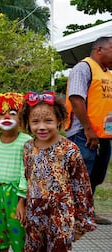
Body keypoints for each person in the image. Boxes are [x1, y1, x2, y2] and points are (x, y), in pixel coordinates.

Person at [20, 91, 97, 251]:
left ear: (59, 119)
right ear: (27, 122)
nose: (41, 127)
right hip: (34, 217)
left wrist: (80, 225)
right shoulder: (28, 147)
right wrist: (22, 203)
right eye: (35, 121)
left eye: (48, 120)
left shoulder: (69, 149)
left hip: (60, 218)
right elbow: (28, 179)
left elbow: (82, 188)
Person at [65, 36, 112, 225]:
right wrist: (88, 129)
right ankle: (73, 214)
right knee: (79, 176)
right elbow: (76, 99)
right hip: (83, 134)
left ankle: (87, 211)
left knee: (96, 175)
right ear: (99, 49)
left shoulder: (108, 73)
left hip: (104, 134)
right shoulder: (83, 68)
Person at [0, 93, 31, 252]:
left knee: (18, 232)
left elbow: (26, 171)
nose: (6, 117)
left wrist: (21, 200)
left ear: (21, 116)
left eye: (12, 113)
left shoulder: (26, 141)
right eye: (1, 113)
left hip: (16, 194)